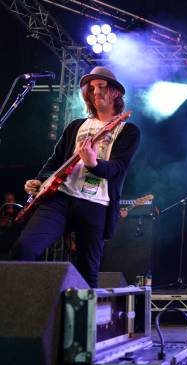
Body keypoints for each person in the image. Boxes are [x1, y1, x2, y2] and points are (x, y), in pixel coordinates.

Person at [11, 66, 140, 287]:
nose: (95, 92)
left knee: (87, 271)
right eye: (91, 88)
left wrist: (93, 163)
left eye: (101, 87)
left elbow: (118, 168)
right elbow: (55, 161)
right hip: (59, 199)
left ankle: (84, 320)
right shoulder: (76, 126)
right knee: (24, 249)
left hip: (95, 204)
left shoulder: (128, 131)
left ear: (116, 93)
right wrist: (40, 181)